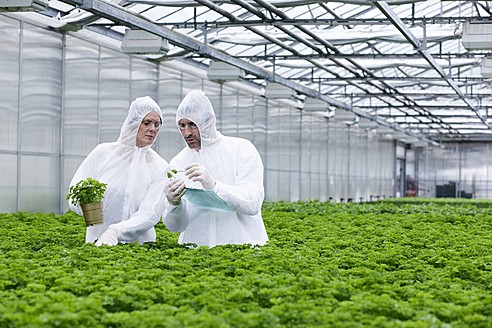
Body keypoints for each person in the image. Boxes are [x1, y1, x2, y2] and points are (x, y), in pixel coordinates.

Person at [162, 90, 268, 247]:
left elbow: (252, 203)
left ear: (208, 122)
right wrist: (174, 204)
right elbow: (176, 226)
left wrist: (214, 186)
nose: (187, 132)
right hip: (197, 252)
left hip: (243, 250)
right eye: (182, 125)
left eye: (192, 124)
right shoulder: (178, 162)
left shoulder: (241, 149)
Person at [68, 96, 168, 246]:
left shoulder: (159, 167)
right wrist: (90, 212)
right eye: (146, 123)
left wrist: (115, 231)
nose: (152, 129)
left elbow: (149, 213)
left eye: (157, 124)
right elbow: (75, 191)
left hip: (139, 248)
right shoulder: (103, 153)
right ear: (133, 122)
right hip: (97, 244)